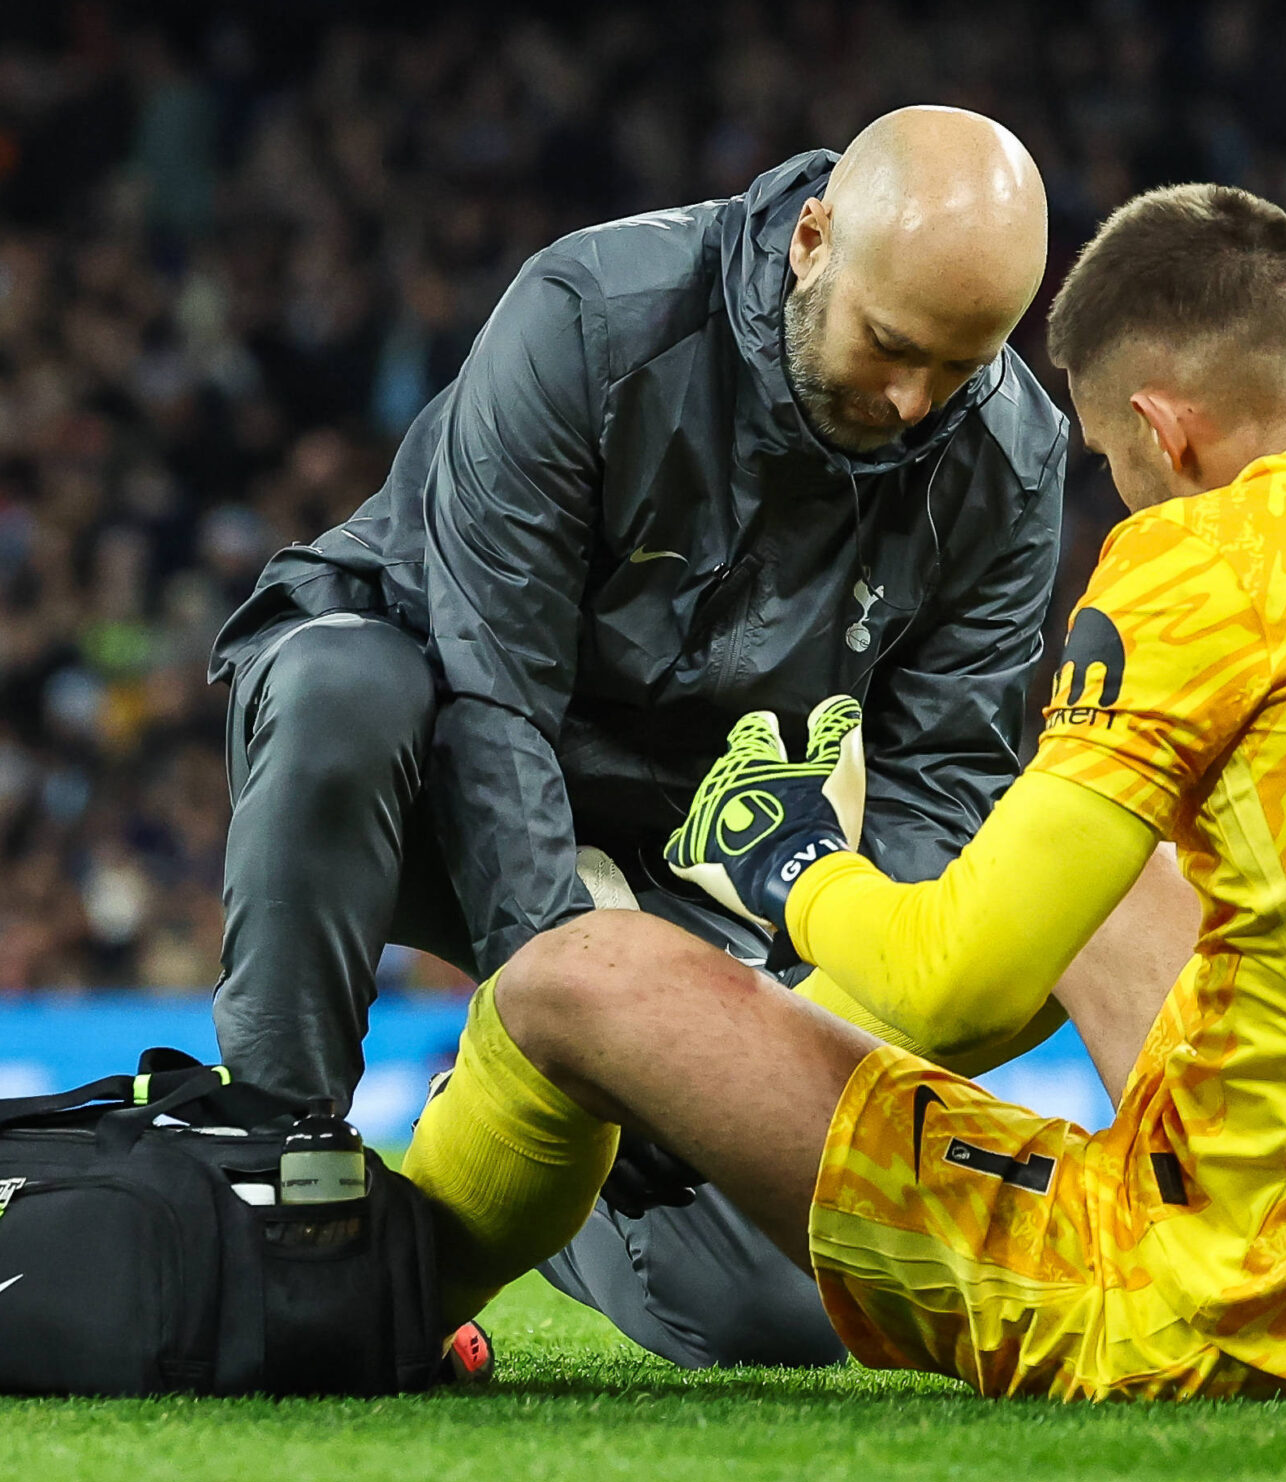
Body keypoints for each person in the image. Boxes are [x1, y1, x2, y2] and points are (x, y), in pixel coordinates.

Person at [399, 182, 1286, 1400]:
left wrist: (801, 863)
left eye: (1103, 453)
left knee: (580, 974)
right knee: (1115, 862)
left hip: (1217, 1305)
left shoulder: (1206, 558)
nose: (1116, 489)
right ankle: (696, 1123)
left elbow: (956, 981)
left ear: (1163, 427)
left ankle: (372, 1303)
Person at [206, 106, 1070, 1367]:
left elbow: (942, 791)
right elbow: (490, 695)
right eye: (890, 344)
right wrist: (599, 1003)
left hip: (679, 848)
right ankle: (278, 1192)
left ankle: (534, 1159)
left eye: (963, 363)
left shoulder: (1007, 455)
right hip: (423, 752)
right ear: (813, 242)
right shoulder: (592, 317)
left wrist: (771, 1040)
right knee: (346, 687)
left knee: (778, 1319)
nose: (910, 398)